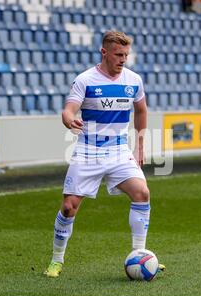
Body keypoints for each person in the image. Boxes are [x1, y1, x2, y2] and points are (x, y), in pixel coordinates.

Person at [44, 30, 165, 278]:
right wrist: (69, 120)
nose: (123, 59)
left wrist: (140, 144)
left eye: (126, 55)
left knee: (142, 192)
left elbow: (141, 109)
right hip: (88, 150)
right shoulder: (85, 80)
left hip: (119, 150)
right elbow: (69, 109)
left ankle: (139, 254)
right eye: (118, 54)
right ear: (104, 52)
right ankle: (56, 261)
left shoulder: (133, 80)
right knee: (68, 207)